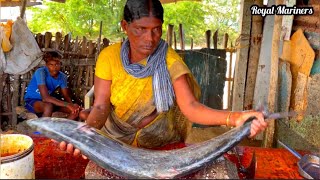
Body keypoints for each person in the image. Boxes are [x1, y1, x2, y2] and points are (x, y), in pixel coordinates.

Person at [59, 0, 268, 177]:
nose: (150, 39)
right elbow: (101, 105)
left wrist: (235, 118)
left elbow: (191, 107)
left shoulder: (169, 60)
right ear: (125, 26)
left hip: (161, 147)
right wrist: (87, 132)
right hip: (116, 145)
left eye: (156, 29)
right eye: (140, 29)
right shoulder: (109, 57)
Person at [24, 51, 80, 120]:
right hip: (33, 100)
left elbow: (66, 96)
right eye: (51, 65)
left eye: (57, 64)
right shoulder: (41, 72)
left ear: (60, 64)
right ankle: (42, 130)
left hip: (50, 101)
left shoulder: (62, 77)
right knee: (48, 106)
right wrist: (68, 105)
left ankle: (61, 128)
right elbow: (45, 98)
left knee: (76, 108)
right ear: (46, 65)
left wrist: (72, 106)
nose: (54, 67)